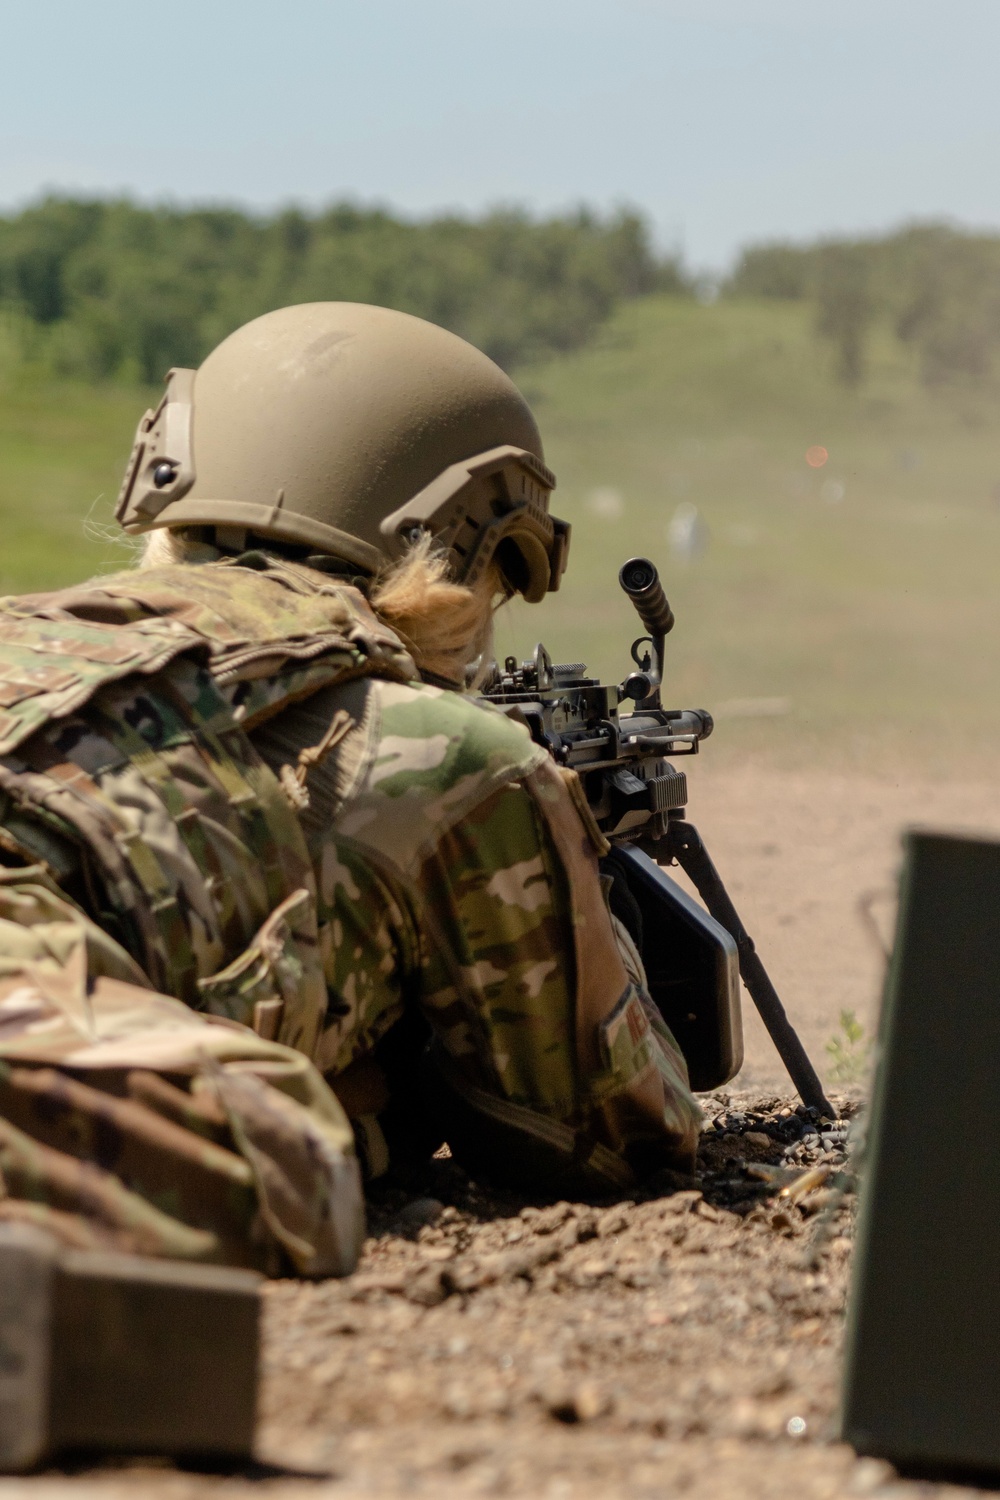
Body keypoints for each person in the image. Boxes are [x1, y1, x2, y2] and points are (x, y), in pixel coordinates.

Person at [0, 303, 700, 1277]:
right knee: (274, 1161)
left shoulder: (26, 634)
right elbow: (616, 1130)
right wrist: (382, 1096)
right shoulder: (444, 756)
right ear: (450, 551)